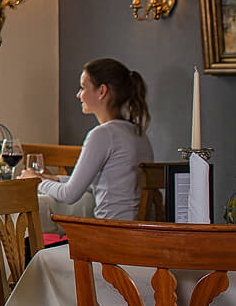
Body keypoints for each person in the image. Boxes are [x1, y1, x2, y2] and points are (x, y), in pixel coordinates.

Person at [20, 57, 153, 220]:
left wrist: (36, 182)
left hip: (111, 234)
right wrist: (54, 178)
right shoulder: (138, 133)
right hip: (138, 235)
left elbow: (70, 195)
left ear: (102, 91)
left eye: (83, 87)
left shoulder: (103, 134)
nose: (78, 95)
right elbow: (104, 184)